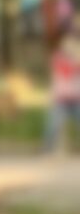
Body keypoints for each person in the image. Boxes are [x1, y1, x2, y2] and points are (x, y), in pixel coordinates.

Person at [43, 23, 80, 156]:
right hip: (61, 99)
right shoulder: (58, 57)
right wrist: (75, 60)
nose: (69, 44)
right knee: (53, 126)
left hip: (76, 98)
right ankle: (46, 150)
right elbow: (66, 70)